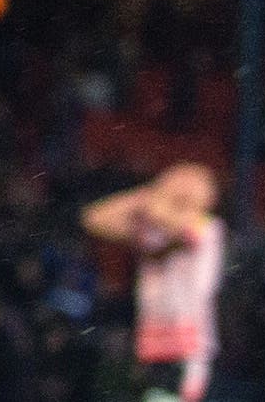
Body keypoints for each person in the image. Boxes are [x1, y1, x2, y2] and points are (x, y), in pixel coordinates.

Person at [82, 162, 224, 402]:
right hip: (152, 340)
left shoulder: (207, 226)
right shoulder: (150, 224)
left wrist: (153, 202)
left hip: (187, 344)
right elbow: (93, 219)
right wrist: (139, 197)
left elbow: (180, 226)